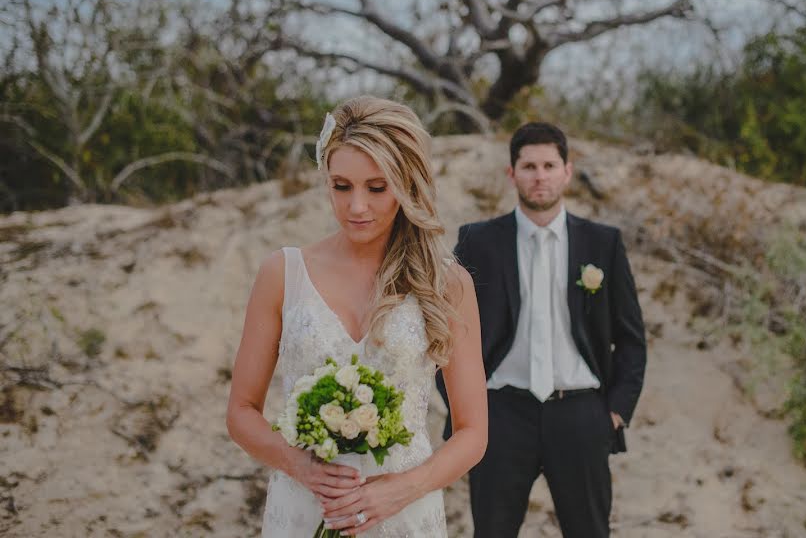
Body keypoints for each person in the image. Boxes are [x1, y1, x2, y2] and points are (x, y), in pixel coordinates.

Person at [227, 96, 487, 537]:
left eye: (377, 187)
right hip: (304, 506)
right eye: (341, 186)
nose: (357, 206)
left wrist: (402, 489)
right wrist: (300, 466)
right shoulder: (282, 273)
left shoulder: (447, 283)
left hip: (404, 514)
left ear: (407, 184)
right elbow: (241, 412)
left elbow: (473, 432)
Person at [438, 122, 647, 538]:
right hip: (499, 414)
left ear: (567, 171)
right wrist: (464, 409)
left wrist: (616, 413)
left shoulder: (603, 243)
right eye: (529, 165)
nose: (540, 176)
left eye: (550, 165)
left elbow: (630, 338)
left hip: (582, 413)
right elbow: (446, 332)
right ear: (511, 173)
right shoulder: (478, 240)